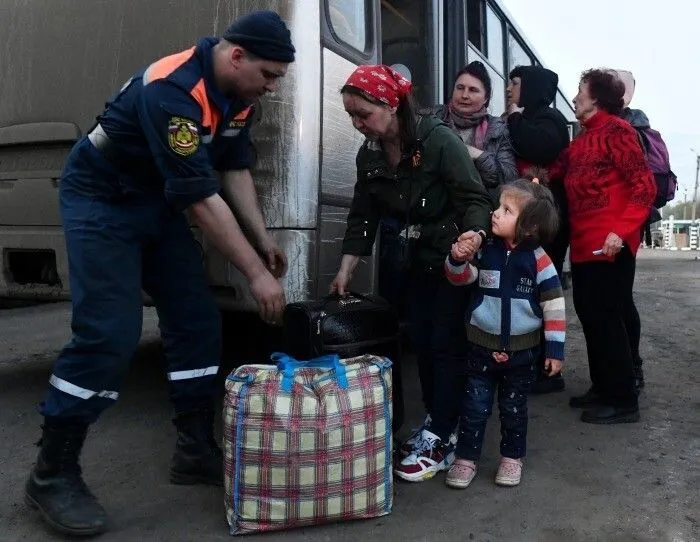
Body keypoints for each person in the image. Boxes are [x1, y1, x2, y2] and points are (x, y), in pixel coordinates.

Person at [24, 11, 295, 536]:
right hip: (103, 200)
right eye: (269, 75)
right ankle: (52, 471)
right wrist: (255, 276)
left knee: (197, 320)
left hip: (156, 203)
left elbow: (233, 168)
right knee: (109, 334)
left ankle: (194, 449)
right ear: (237, 56)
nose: (272, 88)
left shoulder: (239, 95)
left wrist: (262, 242)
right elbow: (199, 201)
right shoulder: (172, 90)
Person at [330, 64, 493, 482]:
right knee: (420, 341)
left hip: (452, 259)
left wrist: (473, 237)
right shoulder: (369, 153)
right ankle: (441, 423)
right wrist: (346, 268)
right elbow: (362, 216)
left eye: (363, 114)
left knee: (445, 343)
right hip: (413, 261)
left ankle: (442, 431)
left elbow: (474, 197)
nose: (357, 124)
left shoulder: (437, 139)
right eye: (351, 115)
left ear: (390, 104)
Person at [443, 175, 564, 489]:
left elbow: (554, 307)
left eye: (506, 210)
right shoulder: (487, 251)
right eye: (498, 206)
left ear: (530, 226)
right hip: (480, 348)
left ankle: (512, 458)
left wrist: (554, 350)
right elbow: (461, 279)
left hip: (522, 354)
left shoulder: (541, 262)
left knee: (513, 409)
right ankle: (465, 459)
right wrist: (457, 260)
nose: (495, 213)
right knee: (473, 407)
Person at [549, 69, 655, 424]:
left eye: (580, 90)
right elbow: (554, 172)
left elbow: (643, 187)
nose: (575, 96)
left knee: (609, 318)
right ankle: (603, 386)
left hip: (611, 244)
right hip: (583, 244)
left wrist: (621, 231)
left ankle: (624, 399)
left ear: (596, 97)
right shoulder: (581, 139)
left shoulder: (619, 132)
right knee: (591, 315)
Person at [504, 65, 570, 395]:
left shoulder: (550, 119)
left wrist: (515, 119)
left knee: (543, 293)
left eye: (515, 83)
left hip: (547, 218)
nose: (509, 89)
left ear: (530, 87)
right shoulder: (533, 115)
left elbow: (539, 147)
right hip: (533, 215)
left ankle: (548, 371)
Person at [614, 69, 655, 391]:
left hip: (623, 229)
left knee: (620, 301)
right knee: (618, 300)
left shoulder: (629, 130)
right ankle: (627, 369)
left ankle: (633, 368)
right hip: (618, 227)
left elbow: (641, 187)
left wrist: (623, 227)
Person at [428, 61, 518, 204]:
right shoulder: (432, 118)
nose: (464, 95)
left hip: (478, 210)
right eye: (460, 88)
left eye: (473, 90)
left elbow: (508, 178)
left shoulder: (498, 129)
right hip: (433, 207)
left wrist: (478, 155)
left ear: (486, 98)